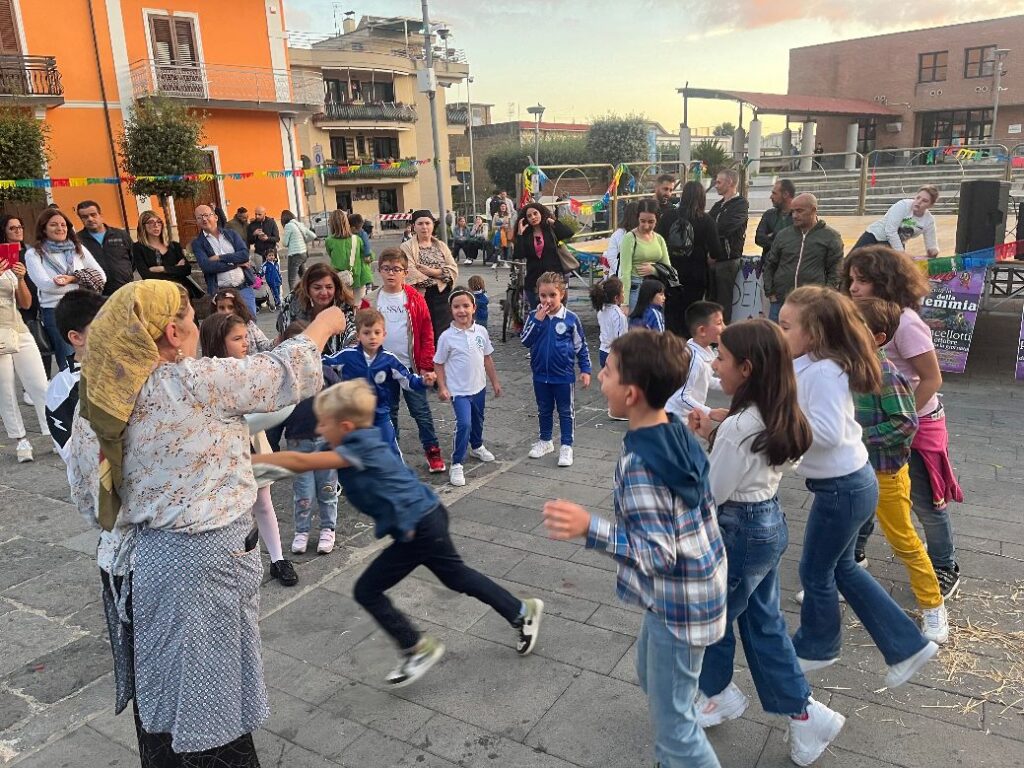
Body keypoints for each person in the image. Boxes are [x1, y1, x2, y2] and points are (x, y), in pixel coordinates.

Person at [77, 279, 345, 763]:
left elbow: (88, 495)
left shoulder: (97, 396)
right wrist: (326, 323)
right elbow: (282, 371)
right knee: (212, 710)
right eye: (187, 316)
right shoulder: (193, 381)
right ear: (171, 333)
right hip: (206, 561)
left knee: (164, 696)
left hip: (144, 564)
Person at [252, 379, 545, 688]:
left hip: (419, 528)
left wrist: (247, 460)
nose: (319, 429)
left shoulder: (358, 447)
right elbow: (298, 463)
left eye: (324, 423)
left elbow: (300, 460)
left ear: (347, 426)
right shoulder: (346, 441)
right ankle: (521, 611)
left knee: (367, 590)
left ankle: (416, 648)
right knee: (458, 577)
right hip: (427, 519)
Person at [542, 330, 727, 768]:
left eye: (606, 370)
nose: (599, 375)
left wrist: (591, 528)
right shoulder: (673, 430)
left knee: (676, 733)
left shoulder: (642, 465)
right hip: (693, 591)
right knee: (651, 674)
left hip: (680, 604)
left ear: (630, 393)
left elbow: (658, 555)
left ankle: (679, 747)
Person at [687, 319, 846, 767]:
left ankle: (717, 693)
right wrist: (712, 431)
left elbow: (710, 492)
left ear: (748, 368)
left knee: (712, 616)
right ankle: (805, 714)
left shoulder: (741, 426)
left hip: (737, 529)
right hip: (766, 522)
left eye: (722, 357)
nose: (716, 365)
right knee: (763, 625)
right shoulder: (775, 412)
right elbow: (756, 461)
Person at [778, 286, 937, 687]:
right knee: (843, 567)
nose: (779, 333)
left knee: (815, 571)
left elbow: (828, 434)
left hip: (843, 489)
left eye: (785, 326)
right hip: (850, 484)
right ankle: (907, 646)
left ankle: (818, 647)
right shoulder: (810, 363)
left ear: (813, 333)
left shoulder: (825, 372)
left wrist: (779, 438)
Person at [842, 246, 962, 597]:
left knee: (926, 502)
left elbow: (931, 378)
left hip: (917, 425)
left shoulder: (906, 322)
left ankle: (944, 565)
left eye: (862, 281)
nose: (853, 287)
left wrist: (905, 416)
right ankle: (855, 554)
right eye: (851, 280)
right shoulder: (863, 317)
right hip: (881, 423)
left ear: (886, 281)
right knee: (868, 489)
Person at [847, 298, 949, 643]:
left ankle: (934, 605)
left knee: (903, 540)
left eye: (854, 328)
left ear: (878, 337)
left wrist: (858, 436)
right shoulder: (849, 369)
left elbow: (905, 425)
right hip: (854, 469)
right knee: (845, 531)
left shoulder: (887, 375)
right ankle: (842, 583)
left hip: (885, 474)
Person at [200, 311, 298, 587]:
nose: (245, 343)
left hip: (254, 444)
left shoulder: (250, 367)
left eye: (245, 337)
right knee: (232, 512)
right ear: (219, 342)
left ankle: (278, 559)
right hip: (225, 452)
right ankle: (234, 561)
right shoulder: (206, 374)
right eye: (237, 338)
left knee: (264, 502)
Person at [363, 248, 446, 473]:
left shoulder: (414, 298)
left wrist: (427, 366)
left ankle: (433, 452)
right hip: (382, 370)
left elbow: (427, 332)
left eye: (396, 269)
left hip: (410, 368)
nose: (391, 274)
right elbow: (361, 333)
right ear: (379, 270)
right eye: (386, 269)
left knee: (421, 412)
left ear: (405, 272)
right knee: (388, 415)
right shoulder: (371, 300)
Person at [323, 308, 432, 456]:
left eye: (377, 332)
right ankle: (345, 478)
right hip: (353, 416)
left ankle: (396, 477)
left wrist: (423, 381)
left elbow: (408, 380)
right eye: (367, 333)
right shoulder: (347, 356)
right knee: (349, 453)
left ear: (384, 335)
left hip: (380, 414)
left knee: (391, 451)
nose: (372, 337)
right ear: (358, 336)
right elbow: (324, 363)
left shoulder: (389, 360)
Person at [274, 319, 341, 555]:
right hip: (297, 444)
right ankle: (302, 531)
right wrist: (271, 447)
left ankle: (327, 528)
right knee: (302, 492)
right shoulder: (283, 381)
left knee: (327, 489)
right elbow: (275, 417)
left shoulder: (326, 373)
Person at [521, 271, 591, 467]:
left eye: (552, 295)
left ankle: (567, 445)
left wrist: (585, 369)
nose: (548, 300)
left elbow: (581, 346)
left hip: (564, 375)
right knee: (544, 409)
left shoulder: (570, 319)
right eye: (543, 295)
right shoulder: (534, 317)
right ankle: (545, 441)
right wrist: (537, 321)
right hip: (540, 374)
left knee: (566, 411)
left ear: (562, 294)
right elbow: (526, 341)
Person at [434, 288, 501, 487]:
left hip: (479, 387)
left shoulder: (481, 331)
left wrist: (495, 382)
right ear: (451, 310)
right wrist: (443, 386)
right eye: (456, 307)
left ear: (474, 308)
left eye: (466, 306)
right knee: (464, 423)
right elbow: (438, 363)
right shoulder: (446, 337)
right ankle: (457, 463)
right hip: (459, 391)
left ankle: (477, 445)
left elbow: (487, 358)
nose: (461, 310)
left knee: (478, 420)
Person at [25, 208, 107, 370]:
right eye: (54, 225)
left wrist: (72, 278)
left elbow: (101, 277)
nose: (60, 228)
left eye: (63, 225)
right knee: (69, 364)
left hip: (83, 309)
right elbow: (46, 285)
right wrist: (81, 280)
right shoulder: (34, 254)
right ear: (43, 228)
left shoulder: (78, 249)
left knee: (94, 358)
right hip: (55, 312)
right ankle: (72, 395)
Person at [0, 241, 50, 462]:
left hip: (19, 329)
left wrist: (20, 278)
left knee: (40, 384)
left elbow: (26, 303)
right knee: (5, 389)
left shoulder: (6, 260)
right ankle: (20, 440)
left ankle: (53, 432)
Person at [763, 193, 844, 323]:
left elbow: (836, 270)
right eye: (792, 211)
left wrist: (825, 297)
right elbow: (770, 264)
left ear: (814, 210)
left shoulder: (831, 237)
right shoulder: (783, 235)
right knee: (777, 341)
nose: (794, 215)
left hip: (813, 305)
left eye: (799, 211)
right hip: (781, 302)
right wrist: (771, 293)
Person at [662, 182, 723, 337]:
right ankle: (689, 351)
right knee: (692, 315)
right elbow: (716, 250)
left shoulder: (668, 216)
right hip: (696, 274)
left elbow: (659, 241)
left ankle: (671, 348)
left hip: (671, 272)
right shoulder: (706, 220)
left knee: (671, 314)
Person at [1, 214, 51, 378]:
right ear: (4, 231)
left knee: (43, 343)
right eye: (12, 228)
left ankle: (47, 378)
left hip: (38, 302)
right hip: (15, 308)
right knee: (27, 346)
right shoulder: (2, 255)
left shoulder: (32, 252)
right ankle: (29, 385)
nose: (18, 231)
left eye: (20, 227)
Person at [401, 209, 459, 347]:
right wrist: (440, 275)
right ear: (414, 226)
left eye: (427, 223)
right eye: (420, 223)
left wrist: (431, 271)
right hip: (421, 296)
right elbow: (410, 271)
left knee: (443, 334)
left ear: (433, 225)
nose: (424, 227)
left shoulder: (441, 245)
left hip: (443, 296)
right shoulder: (406, 247)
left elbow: (453, 269)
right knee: (425, 334)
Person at [191, 204, 257, 318]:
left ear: (215, 217)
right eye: (199, 217)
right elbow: (207, 266)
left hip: (243, 287)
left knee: (250, 321)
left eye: (207, 215)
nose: (204, 219)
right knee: (225, 325)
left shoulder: (231, 234)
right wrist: (236, 264)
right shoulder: (198, 243)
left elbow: (244, 255)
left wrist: (220, 258)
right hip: (220, 292)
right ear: (197, 222)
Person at [277, 262, 358, 356]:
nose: (324, 292)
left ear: (335, 288)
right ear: (307, 289)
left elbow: (352, 335)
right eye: (317, 288)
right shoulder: (291, 303)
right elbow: (287, 340)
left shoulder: (344, 305)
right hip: (299, 359)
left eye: (329, 287)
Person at [666, 301, 727, 423]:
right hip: (676, 420)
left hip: (684, 420)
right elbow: (681, 396)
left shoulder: (701, 351)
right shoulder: (694, 359)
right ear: (702, 331)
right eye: (719, 323)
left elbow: (704, 379)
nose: (724, 327)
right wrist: (710, 412)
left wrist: (729, 384)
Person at [513, 202, 576, 310]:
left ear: (541, 213)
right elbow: (519, 254)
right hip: (534, 280)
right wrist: (520, 234)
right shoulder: (526, 234)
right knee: (537, 311)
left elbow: (568, 233)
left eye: (535, 213)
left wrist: (554, 222)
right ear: (526, 219)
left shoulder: (550, 230)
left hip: (553, 277)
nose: (533, 217)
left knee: (556, 311)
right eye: (529, 216)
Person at [707, 169, 749, 323]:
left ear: (730, 182)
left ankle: (721, 338)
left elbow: (725, 227)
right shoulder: (718, 205)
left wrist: (714, 250)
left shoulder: (740, 204)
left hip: (727, 260)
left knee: (723, 302)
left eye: (719, 182)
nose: (715, 185)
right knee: (711, 301)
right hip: (713, 259)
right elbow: (708, 225)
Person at [852, 186, 940, 257]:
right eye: (918, 198)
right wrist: (901, 254)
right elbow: (890, 230)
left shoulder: (929, 220)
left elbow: (931, 245)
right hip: (875, 237)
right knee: (850, 263)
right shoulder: (903, 205)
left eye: (924, 201)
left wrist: (933, 251)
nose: (919, 202)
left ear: (931, 205)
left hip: (896, 244)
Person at [617, 199, 672, 309]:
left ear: (657, 220)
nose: (646, 226)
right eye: (643, 221)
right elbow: (624, 273)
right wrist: (624, 303)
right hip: (635, 287)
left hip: (656, 289)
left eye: (651, 222)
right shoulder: (629, 238)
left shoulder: (659, 239)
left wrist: (654, 270)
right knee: (636, 325)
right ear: (637, 219)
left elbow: (669, 270)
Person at [76, 200, 134, 296]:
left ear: (101, 215)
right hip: (96, 294)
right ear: (81, 219)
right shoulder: (77, 241)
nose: (90, 219)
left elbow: (133, 259)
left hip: (125, 290)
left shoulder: (120, 234)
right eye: (85, 217)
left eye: (93, 215)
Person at [131, 210, 195, 294]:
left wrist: (163, 269)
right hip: (158, 293)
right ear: (143, 227)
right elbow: (147, 275)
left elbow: (187, 270)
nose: (156, 225)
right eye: (151, 222)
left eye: (159, 222)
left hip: (181, 292)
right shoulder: (138, 248)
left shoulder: (174, 246)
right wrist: (175, 269)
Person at [325, 210, 371, 301]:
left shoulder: (329, 241)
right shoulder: (357, 239)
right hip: (358, 278)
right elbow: (368, 256)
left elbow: (331, 255)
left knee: (343, 308)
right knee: (358, 307)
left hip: (340, 279)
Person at [213, 288, 274, 352]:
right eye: (221, 308)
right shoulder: (215, 330)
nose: (226, 311)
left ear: (237, 308)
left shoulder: (248, 324)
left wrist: (277, 341)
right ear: (216, 310)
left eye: (231, 307)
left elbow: (263, 344)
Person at [590, 276, 627, 369]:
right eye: (622, 292)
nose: (624, 294)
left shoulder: (601, 310)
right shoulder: (619, 315)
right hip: (615, 354)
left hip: (603, 351)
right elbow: (620, 339)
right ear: (616, 298)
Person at [755, 179, 795, 257]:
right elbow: (759, 238)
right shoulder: (769, 215)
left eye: (774, 193)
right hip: (769, 264)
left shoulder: (799, 216)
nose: (771, 197)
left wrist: (773, 236)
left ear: (785, 194)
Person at [603, 201, 639, 280]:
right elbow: (612, 258)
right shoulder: (619, 234)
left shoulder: (617, 234)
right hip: (620, 275)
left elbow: (611, 258)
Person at [280, 210, 316, 284]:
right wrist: (304, 241)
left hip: (294, 254)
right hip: (303, 253)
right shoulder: (299, 224)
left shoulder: (288, 226)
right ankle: (307, 293)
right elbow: (313, 235)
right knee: (303, 278)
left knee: (291, 279)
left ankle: (292, 295)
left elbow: (285, 243)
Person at [490, 202, 515, 267]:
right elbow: (493, 226)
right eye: (502, 206)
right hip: (498, 233)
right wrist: (500, 227)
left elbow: (511, 225)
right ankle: (495, 263)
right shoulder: (496, 215)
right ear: (499, 207)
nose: (503, 208)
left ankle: (505, 262)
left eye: (504, 206)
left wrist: (507, 227)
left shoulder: (509, 215)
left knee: (506, 248)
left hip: (506, 233)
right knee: (497, 248)